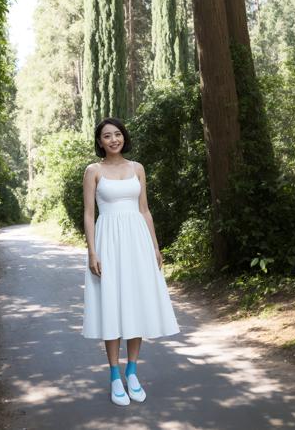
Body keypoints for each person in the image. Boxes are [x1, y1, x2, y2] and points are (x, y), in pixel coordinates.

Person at [81, 117, 180, 406]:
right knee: (111, 306)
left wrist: (155, 247)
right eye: (107, 136)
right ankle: (114, 376)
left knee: (136, 305)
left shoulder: (137, 168)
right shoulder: (93, 171)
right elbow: (89, 214)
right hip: (108, 242)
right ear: (100, 142)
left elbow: (145, 210)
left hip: (137, 242)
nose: (113, 139)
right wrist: (92, 251)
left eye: (117, 134)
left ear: (124, 137)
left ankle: (132, 373)